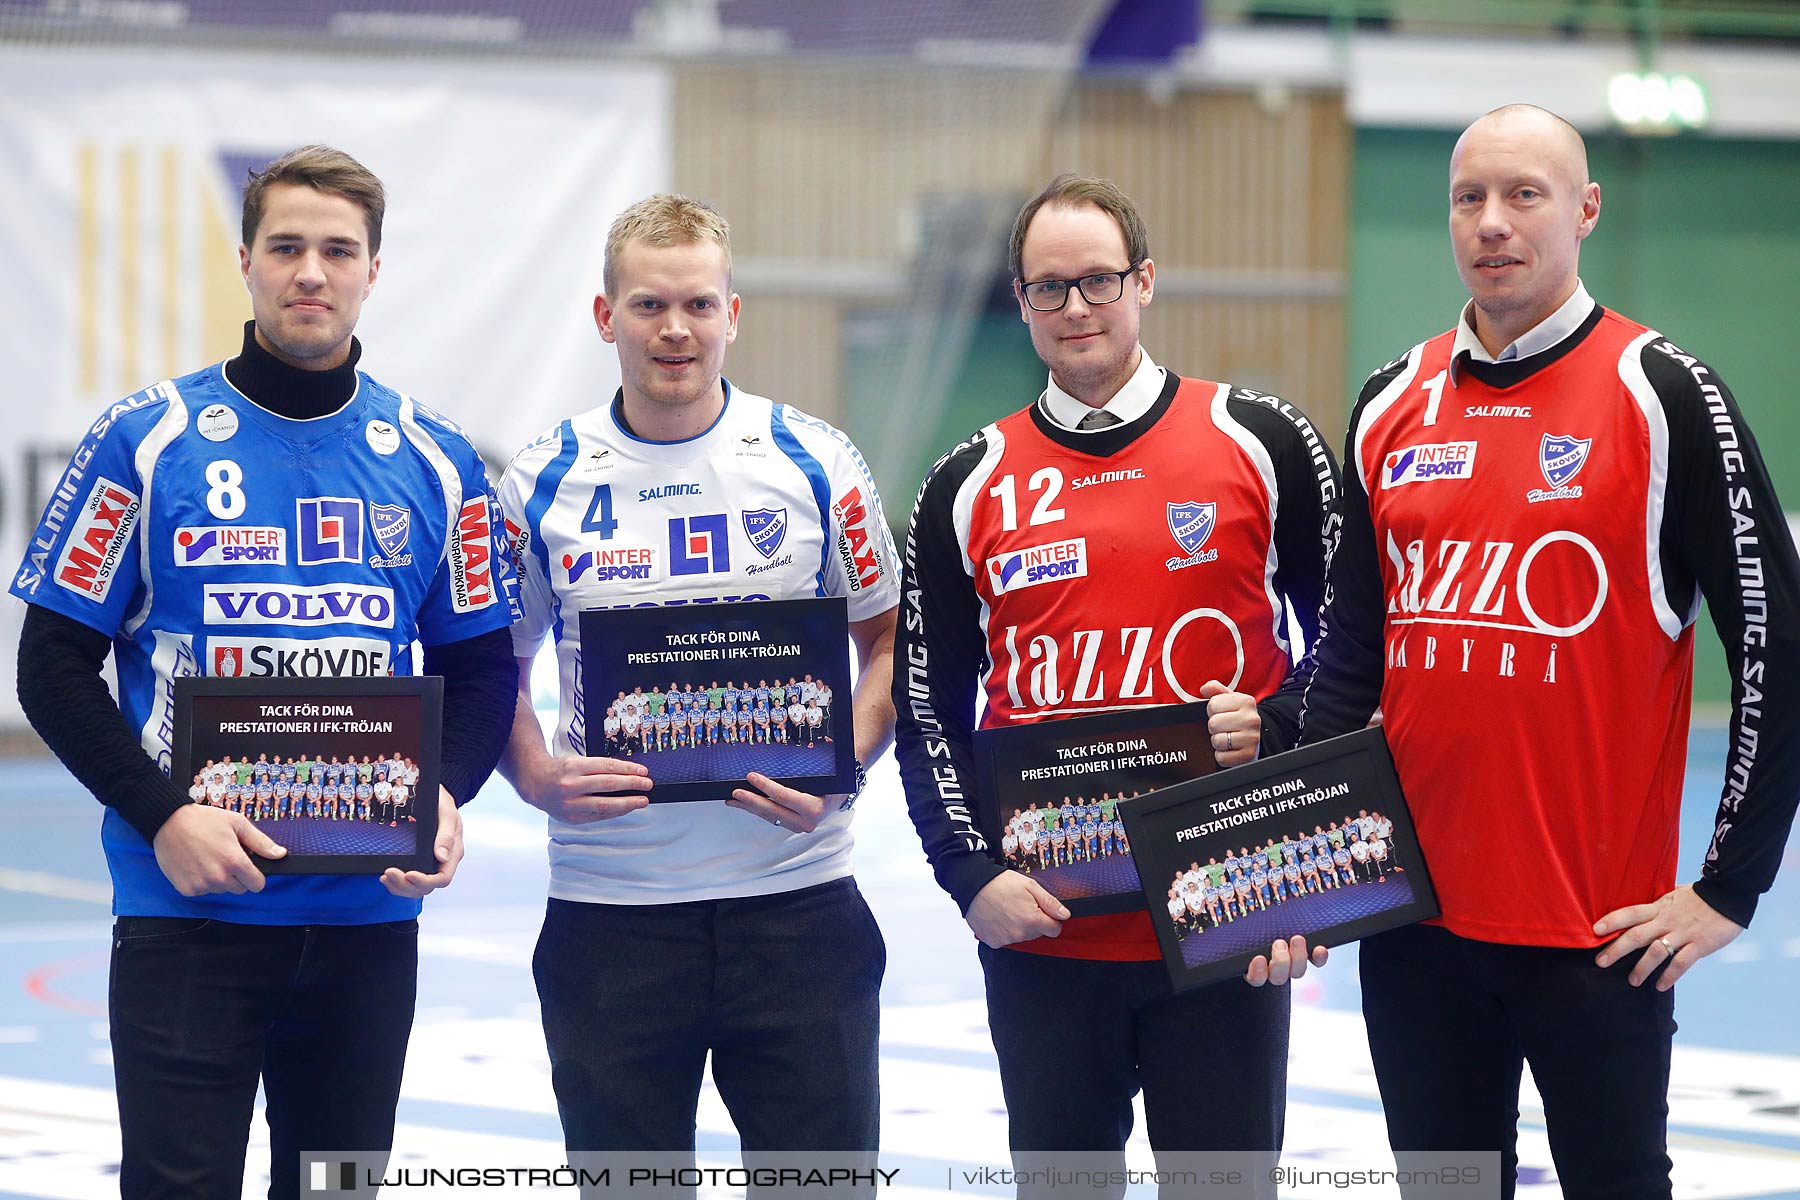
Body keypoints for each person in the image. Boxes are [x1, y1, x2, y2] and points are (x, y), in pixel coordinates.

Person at [1295, 104, 1800, 1199]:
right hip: (1412, 923)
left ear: (1585, 210)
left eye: (1524, 194)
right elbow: (1349, 661)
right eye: (1468, 198)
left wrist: (1731, 888)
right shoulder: (1390, 401)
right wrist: (1303, 873)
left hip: (1599, 937)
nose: (1492, 223)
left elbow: (1776, 641)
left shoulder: (1665, 394)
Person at [9, 145, 519, 1200]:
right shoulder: (143, 439)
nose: (311, 273)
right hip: (184, 908)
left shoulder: (435, 455)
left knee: (337, 1189)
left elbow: (479, 668)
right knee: (176, 1185)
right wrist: (162, 816)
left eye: (338, 250)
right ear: (245, 260)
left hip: (367, 918)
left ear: (374, 269)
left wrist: (448, 796)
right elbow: (51, 664)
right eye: (286, 246)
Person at [891, 173, 1337, 1191]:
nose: (1076, 307)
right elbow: (929, 707)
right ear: (1021, 302)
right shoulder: (965, 482)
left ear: (1145, 280)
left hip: (1229, 916)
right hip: (1042, 926)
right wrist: (970, 877)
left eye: (1097, 280)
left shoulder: (1261, 440)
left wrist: (1274, 722)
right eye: (1049, 288)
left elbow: (1356, 647)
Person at [496, 193, 899, 1170]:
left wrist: (840, 764)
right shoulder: (541, 480)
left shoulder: (815, 464)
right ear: (606, 317)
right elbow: (489, 674)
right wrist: (538, 776)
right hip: (610, 916)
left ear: (732, 312)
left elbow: (888, 648)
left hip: (798, 906)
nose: (674, 329)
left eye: (697, 304)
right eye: (646, 305)